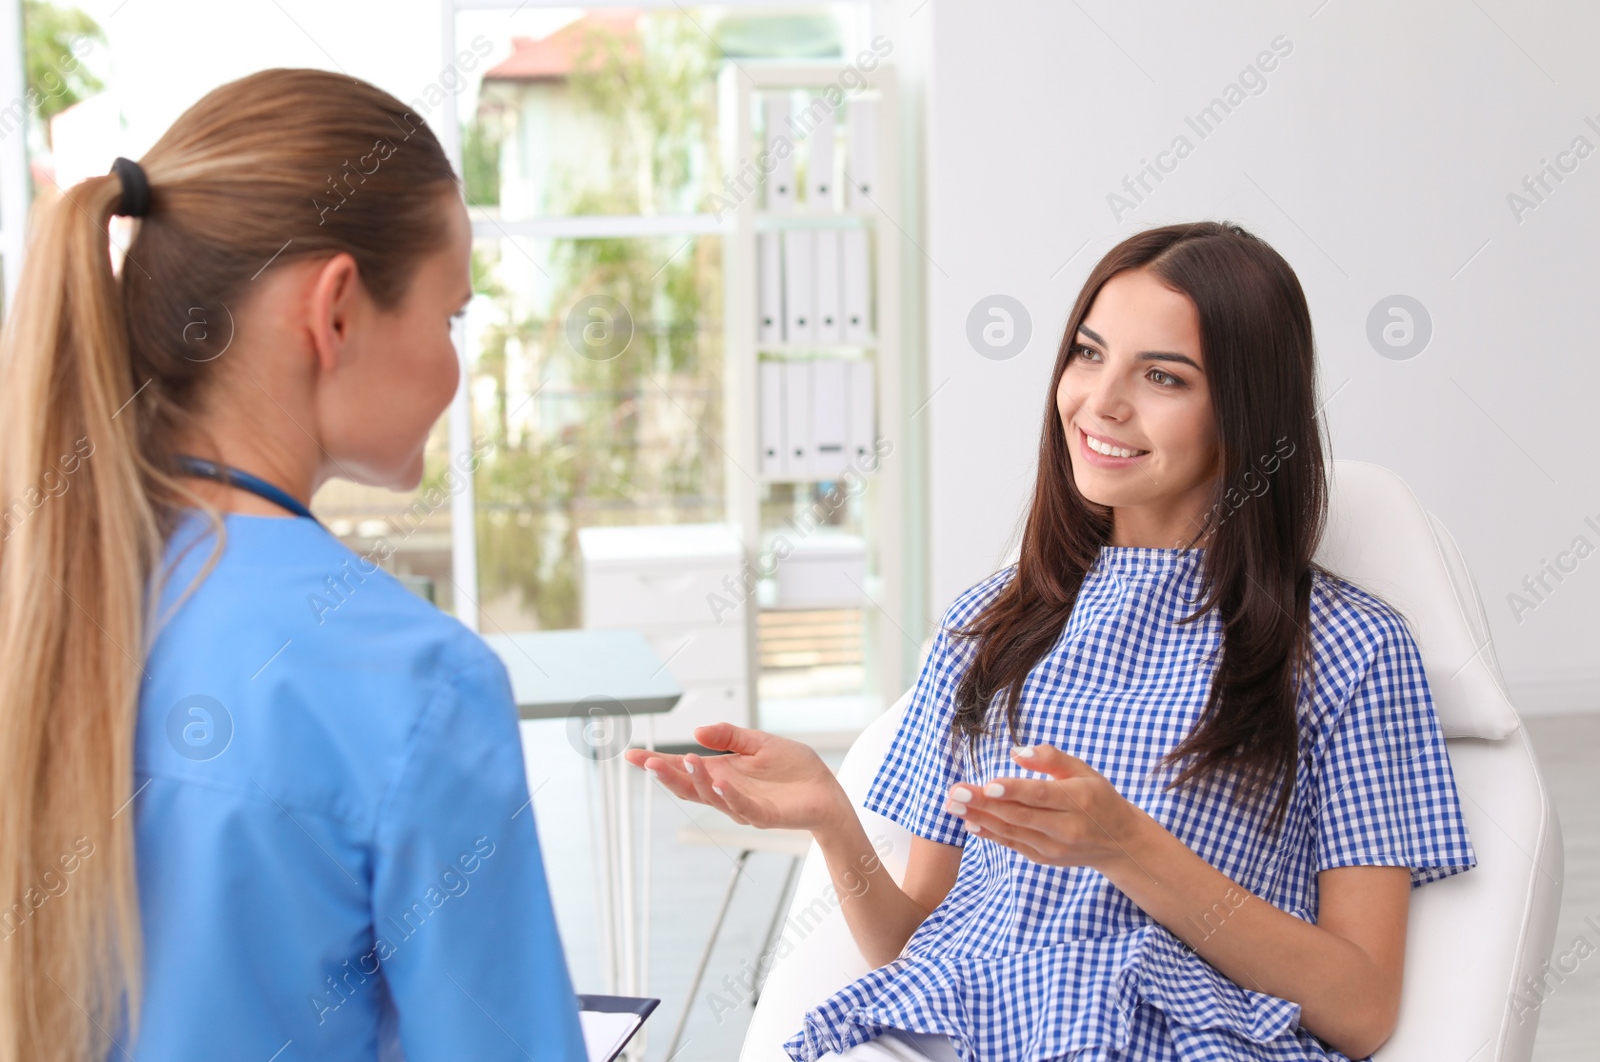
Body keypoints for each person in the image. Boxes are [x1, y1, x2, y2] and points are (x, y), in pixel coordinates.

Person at [625, 221, 1478, 1062]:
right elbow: (914, 945)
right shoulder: (990, 628)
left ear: (1246, 413)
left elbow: (1361, 1007)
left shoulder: (1347, 649)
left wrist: (1127, 846)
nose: (1101, 401)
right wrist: (829, 816)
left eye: (1164, 376)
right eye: (1088, 353)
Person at [0, 68, 588, 1062]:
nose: (454, 365)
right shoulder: (415, 682)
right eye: (451, 315)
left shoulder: (38, 603)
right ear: (337, 311)